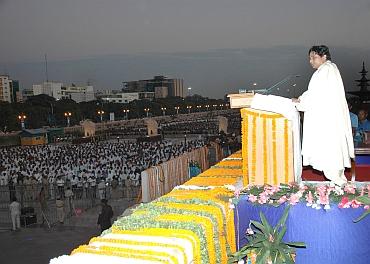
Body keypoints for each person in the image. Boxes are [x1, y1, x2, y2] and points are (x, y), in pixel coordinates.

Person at [292, 45, 354, 186]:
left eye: (313, 57)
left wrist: (300, 101)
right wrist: (302, 99)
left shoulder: (325, 70)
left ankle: (340, 185)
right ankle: (340, 184)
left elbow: (315, 95)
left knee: (329, 155)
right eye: (310, 58)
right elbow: (314, 93)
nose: (311, 61)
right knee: (333, 155)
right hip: (331, 120)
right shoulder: (329, 70)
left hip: (326, 122)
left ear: (324, 56)